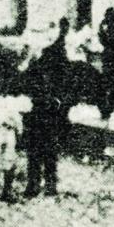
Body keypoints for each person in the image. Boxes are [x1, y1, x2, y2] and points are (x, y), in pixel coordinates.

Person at [22, 36, 68, 197]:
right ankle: (38, 184)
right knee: (41, 152)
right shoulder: (36, 68)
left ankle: (44, 184)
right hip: (39, 113)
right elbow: (26, 86)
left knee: (44, 152)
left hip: (48, 115)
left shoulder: (57, 70)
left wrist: (57, 101)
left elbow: (64, 92)